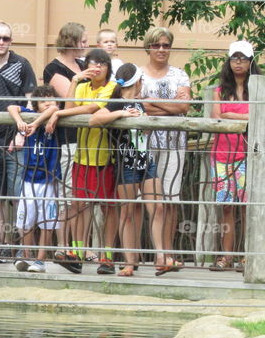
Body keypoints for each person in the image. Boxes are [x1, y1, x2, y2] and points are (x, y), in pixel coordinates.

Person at [89, 63, 181, 276]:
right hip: (126, 164)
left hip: (146, 160)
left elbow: (143, 129)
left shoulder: (139, 103)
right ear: (137, 81)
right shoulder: (115, 103)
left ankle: (161, 255)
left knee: (157, 207)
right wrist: (121, 114)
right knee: (128, 212)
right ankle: (130, 262)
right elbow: (95, 119)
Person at [48, 48, 119, 274]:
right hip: (83, 157)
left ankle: (107, 257)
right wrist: (75, 80)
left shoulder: (112, 87)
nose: (96, 68)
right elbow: (71, 107)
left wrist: (58, 114)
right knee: (80, 207)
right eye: (92, 63)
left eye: (101, 64)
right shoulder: (82, 85)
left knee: (109, 209)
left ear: (108, 67)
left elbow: (91, 109)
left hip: (107, 158)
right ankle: (77, 254)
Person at [0, 21, 38, 260]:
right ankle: (2, 246)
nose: (1, 42)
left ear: (11, 41)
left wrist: (22, 133)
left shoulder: (22, 65)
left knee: (19, 195)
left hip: (17, 141)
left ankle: (24, 248)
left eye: (5, 38)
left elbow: (31, 102)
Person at [140, 26, 192, 260]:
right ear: (148, 47)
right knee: (151, 202)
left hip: (174, 143)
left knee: (170, 200)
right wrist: (169, 103)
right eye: (156, 45)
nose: (161, 49)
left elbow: (184, 107)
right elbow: (140, 105)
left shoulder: (180, 74)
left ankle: (168, 253)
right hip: (146, 144)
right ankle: (153, 253)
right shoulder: (139, 75)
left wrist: (154, 102)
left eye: (166, 45)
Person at [208, 40, 260, 272]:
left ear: (251, 61)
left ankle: (249, 256)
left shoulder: (259, 89)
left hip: (252, 157)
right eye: (234, 58)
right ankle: (226, 256)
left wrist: (231, 114)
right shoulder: (220, 90)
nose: (238, 62)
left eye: (243, 58)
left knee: (248, 208)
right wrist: (246, 118)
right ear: (229, 62)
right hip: (223, 156)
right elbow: (217, 117)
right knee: (226, 207)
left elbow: (261, 117)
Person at [43, 22, 87, 273]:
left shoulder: (82, 65)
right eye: (83, 40)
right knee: (66, 196)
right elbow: (69, 104)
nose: (87, 45)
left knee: (80, 197)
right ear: (71, 41)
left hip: (86, 141)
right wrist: (78, 79)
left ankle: (78, 248)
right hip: (66, 141)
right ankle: (62, 247)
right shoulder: (54, 68)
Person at [7, 85, 61, 273]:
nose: (48, 103)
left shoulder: (55, 114)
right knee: (26, 219)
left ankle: (40, 260)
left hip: (49, 178)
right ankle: (26, 255)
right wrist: (20, 122)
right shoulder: (29, 113)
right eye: (43, 100)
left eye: (51, 98)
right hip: (29, 177)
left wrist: (36, 124)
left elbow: (54, 109)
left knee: (47, 220)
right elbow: (12, 108)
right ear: (35, 104)